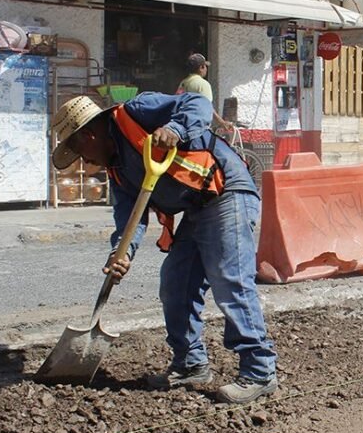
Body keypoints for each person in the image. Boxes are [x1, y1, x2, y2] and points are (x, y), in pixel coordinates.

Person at [50, 92, 277, 404]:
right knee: (176, 284)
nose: (86, 163)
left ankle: (259, 370)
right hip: (197, 208)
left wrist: (176, 129)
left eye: (81, 153)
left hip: (227, 192)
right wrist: (121, 254)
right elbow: (130, 220)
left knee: (230, 280)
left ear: (88, 136)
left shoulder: (136, 112)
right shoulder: (118, 170)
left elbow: (198, 103)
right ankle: (190, 365)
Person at [177, 53, 233, 132]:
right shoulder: (203, 84)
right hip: (197, 128)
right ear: (201, 67)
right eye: (205, 66)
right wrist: (222, 122)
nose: (206, 69)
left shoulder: (183, 83)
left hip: (182, 126)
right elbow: (207, 106)